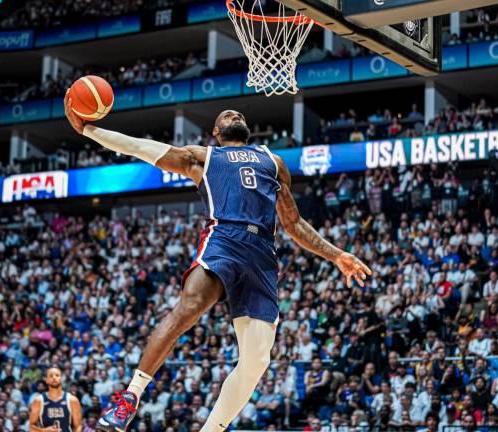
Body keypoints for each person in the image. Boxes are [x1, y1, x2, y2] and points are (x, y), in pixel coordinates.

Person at [64, 95, 372, 432]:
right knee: (190, 306)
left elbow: (293, 223)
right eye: (226, 114)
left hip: (262, 253)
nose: (234, 114)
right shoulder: (204, 157)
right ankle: (130, 396)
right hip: (224, 237)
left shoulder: (273, 161)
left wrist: (336, 254)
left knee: (257, 361)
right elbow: (142, 148)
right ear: (216, 131)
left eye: (238, 113)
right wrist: (90, 131)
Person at [29, 367, 82, 431]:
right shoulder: (39, 400)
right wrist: (44, 431)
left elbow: (78, 426)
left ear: (61, 379)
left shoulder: (72, 400)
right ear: (46, 380)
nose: (54, 378)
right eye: (51, 376)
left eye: (57, 375)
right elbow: (31, 427)